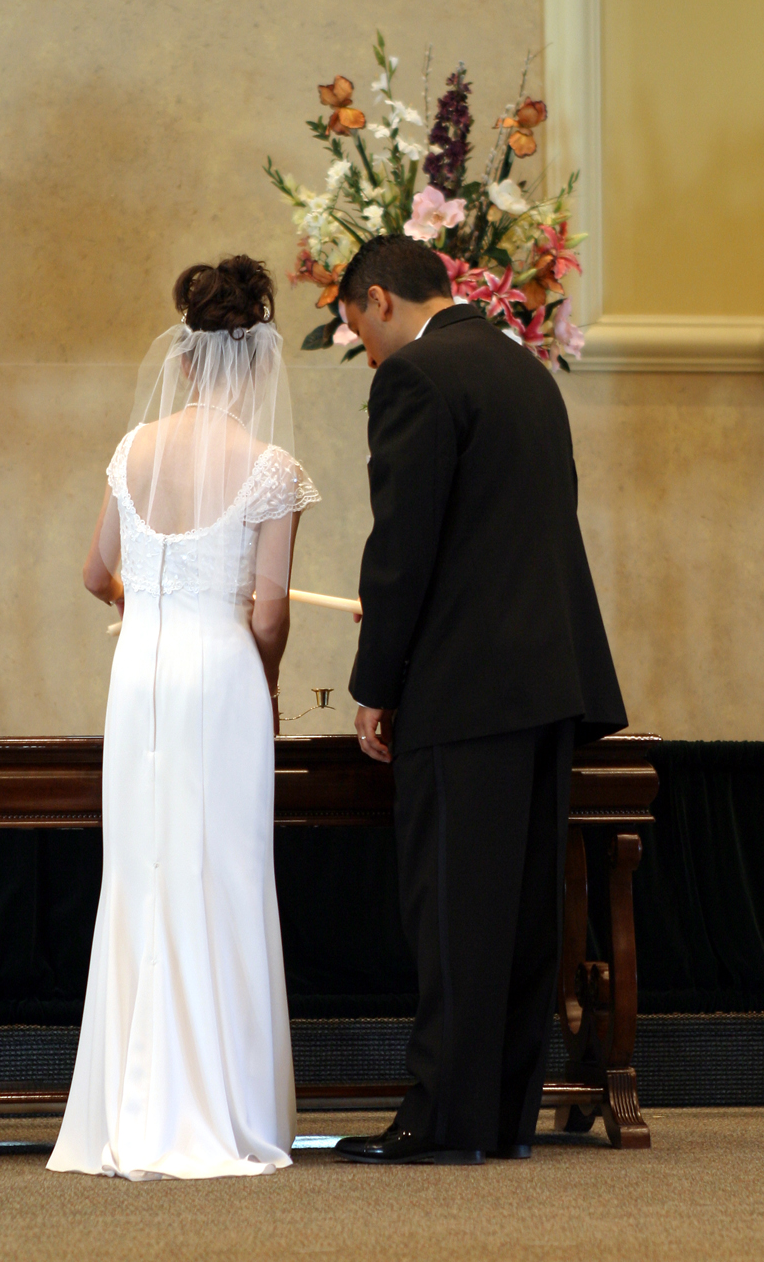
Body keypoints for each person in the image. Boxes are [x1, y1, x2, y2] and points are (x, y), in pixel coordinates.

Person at [333, 235, 626, 1165]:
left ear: (380, 300)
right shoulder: (523, 369)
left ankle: (440, 1122)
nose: (369, 355)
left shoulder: (417, 375)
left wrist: (376, 684)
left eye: (360, 331)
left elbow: (403, 544)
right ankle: (500, 1117)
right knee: (522, 912)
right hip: (549, 678)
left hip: (465, 684)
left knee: (455, 908)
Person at [47, 256, 320, 1180]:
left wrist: (151, 605)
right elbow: (270, 611)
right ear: (258, 358)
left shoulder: (134, 449)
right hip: (221, 676)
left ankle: (127, 1104)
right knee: (221, 871)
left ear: (188, 357)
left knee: (141, 870)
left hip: (140, 675)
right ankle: (218, 1103)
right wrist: (267, 682)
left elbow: (96, 574)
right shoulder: (271, 468)